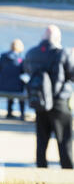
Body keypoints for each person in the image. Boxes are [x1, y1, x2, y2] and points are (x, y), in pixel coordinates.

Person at [23, 25, 73, 169]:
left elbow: (26, 70)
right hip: (59, 102)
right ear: (58, 38)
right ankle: (68, 175)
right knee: (64, 141)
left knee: (41, 141)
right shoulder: (63, 53)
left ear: (43, 37)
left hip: (40, 101)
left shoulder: (32, 53)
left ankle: (41, 172)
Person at [0, 39, 26, 120]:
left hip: (3, 86)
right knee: (21, 89)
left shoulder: (3, 56)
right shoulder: (21, 59)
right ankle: (22, 114)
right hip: (16, 87)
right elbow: (23, 72)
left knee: (12, 85)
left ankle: (9, 112)